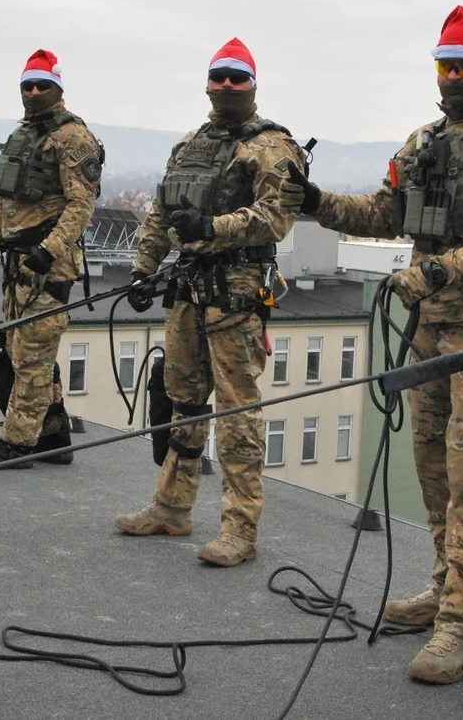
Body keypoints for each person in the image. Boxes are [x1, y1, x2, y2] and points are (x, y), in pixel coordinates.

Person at [279, 6, 463, 683]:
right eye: (443, 63)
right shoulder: (425, 140)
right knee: (433, 467)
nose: (452, 75)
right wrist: (316, 200)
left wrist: (440, 269)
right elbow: (386, 210)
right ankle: (446, 591)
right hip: (431, 328)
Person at [115, 38, 304, 567]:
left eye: (236, 77)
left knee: (238, 413)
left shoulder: (273, 147)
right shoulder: (189, 144)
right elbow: (160, 211)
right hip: (187, 291)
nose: (226, 86)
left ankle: (240, 531)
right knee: (184, 401)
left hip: (236, 293)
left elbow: (276, 218)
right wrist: (143, 268)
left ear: (252, 83)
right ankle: (172, 507)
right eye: (218, 76)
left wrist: (214, 226)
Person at [0, 50, 101, 469]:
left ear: (58, 88)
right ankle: (53, 436)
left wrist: (51, 249)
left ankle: (18, 444)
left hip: (48, 264)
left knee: (31, 356)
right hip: (17, 262)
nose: (35, 91)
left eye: (43, 85)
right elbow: (4, 203)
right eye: (28, 85)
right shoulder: (23, 135)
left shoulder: (73, 137)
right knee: (20, 347)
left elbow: (82, 204)